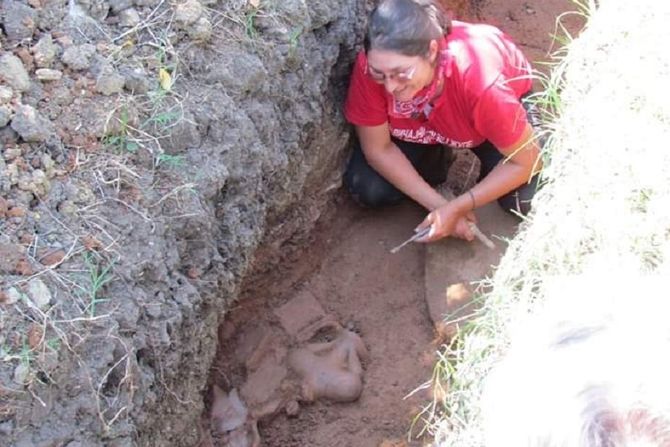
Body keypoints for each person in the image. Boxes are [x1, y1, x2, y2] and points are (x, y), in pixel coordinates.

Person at [343, 0, 543, 242]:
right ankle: (438, 161)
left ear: (432, 51)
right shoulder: (376, 66)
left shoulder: (482, 83)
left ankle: (539, 134)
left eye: (401, 73)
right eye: (379, 75)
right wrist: (440, 207)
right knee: (370, 188)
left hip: (484, 120)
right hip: (427, 126)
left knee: (524, 199)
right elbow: (378, 149)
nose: (390, 86)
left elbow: (527, 160)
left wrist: (460, 205)